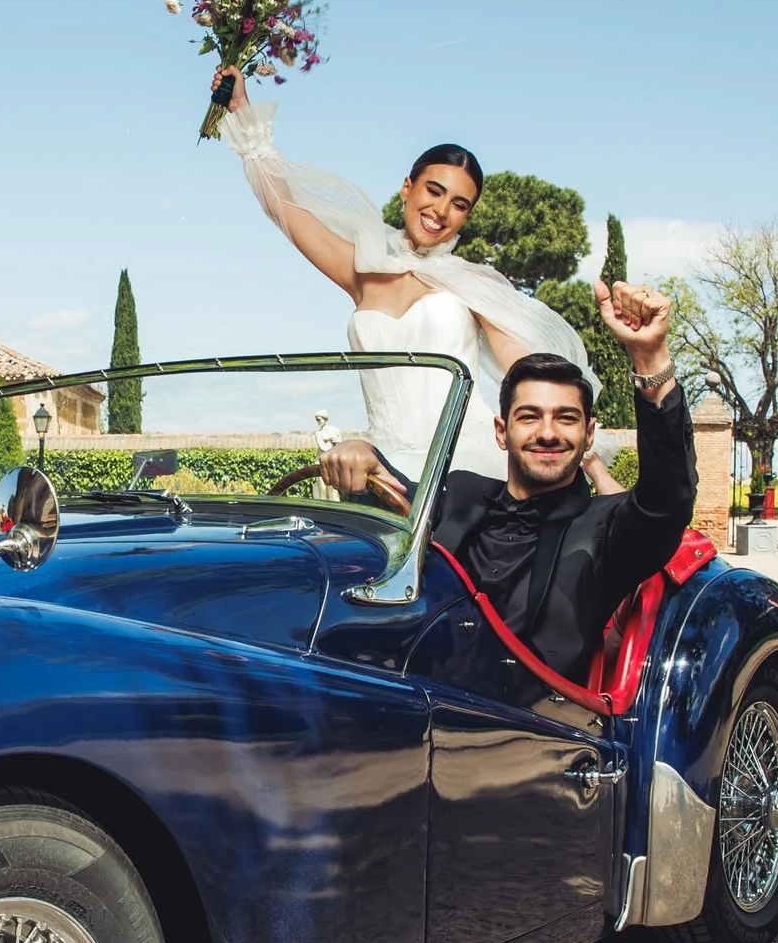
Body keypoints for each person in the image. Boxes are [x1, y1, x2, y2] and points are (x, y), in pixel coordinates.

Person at [213, 64, 597, 481]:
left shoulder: (473, 283)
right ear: (407, 188)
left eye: (459, 205)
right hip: (383, 468)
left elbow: (529, 372)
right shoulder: (363, 271)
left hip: (468, 466)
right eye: (434, 191)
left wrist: (589, 463)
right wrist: (242, 110)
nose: (441, 211)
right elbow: (284, 210)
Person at [321, 281, 695, 684]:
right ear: (502, 432)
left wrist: (650, 357)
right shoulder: (459, 493)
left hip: (530, 715)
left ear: (589, 435)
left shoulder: (608, 526)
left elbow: (667, 496)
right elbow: (389, 491)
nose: (547, 433)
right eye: (529, 417)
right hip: (409, 688)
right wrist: (362, 451)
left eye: (566, 418)